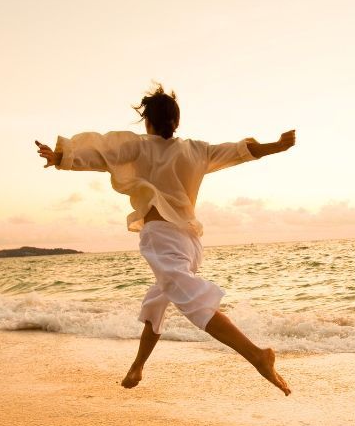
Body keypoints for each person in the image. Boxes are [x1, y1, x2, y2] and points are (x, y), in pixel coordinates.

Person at [36, 85, 295, 395]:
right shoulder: (197, 150)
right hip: (190, 242)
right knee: (160, 298)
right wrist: (275, 146)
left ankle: (256, 355)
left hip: (162, 238)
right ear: (176, 121)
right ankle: (138, 366)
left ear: (148, 121)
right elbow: (239, 151)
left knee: (192, 301)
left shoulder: (140, 148)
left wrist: (62, 156)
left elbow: (101, 154)